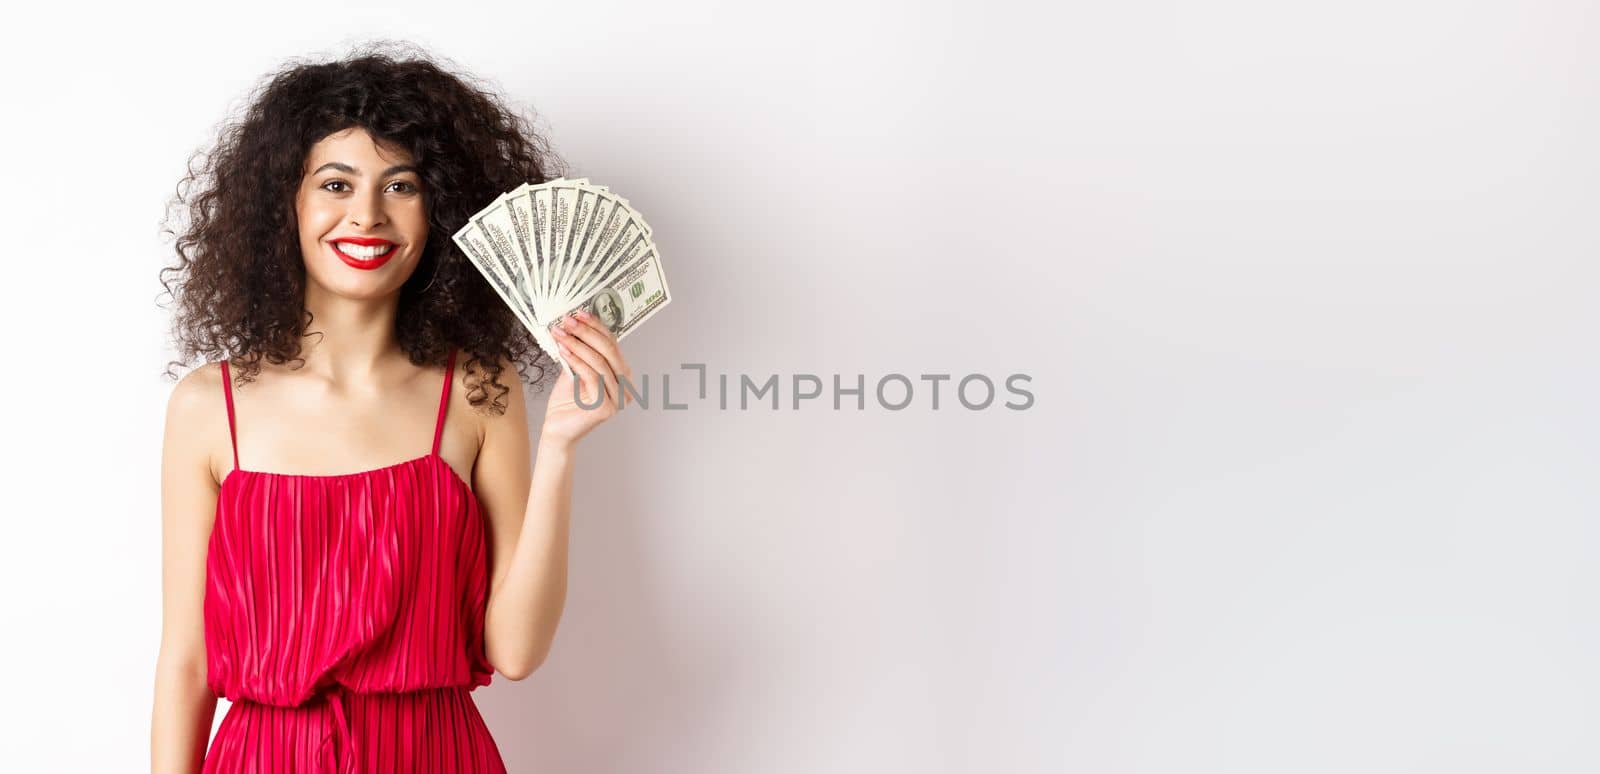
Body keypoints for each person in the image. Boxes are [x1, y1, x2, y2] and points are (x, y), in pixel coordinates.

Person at [149, 43, 635, 773]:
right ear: (287, 202)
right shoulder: (207, 405)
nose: (367, 216)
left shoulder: (479, 389)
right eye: (336, 184)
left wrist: (563, 445)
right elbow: (187, 663)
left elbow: (516, 650)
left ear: (439, 208)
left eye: (401, 186)